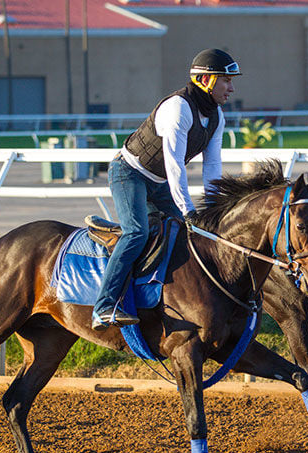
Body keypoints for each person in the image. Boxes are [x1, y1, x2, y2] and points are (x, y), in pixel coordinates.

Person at [92, 48, 240, 330]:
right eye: (226, 80)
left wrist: (214, 210)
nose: (231, 88)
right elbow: (175, 167)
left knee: (186, 236)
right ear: (206, 80)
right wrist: (188, 210)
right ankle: (105, 306)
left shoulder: (217, 116)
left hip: (159, 184)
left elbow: (212, 168)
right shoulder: (178, 109)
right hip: (129, 174)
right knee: (137, 232)